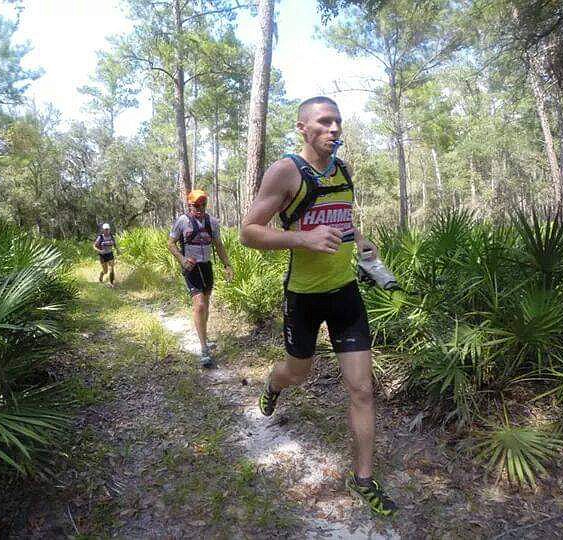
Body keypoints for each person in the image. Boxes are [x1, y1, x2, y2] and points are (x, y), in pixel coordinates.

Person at [239, 96, 397, 517]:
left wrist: (360, 242)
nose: (334, 129)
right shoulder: (286, 171)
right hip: (303, 297)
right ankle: (273, 387)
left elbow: (341, 219)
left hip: (345, 293)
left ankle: (363, 479)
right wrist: (302, 239)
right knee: (298, 372)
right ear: (303, 128)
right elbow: (249, 232)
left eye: (338, 122)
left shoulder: (343, 171)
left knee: (362, 389)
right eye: (324, 122)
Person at [167, 190, 233, 368]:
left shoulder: (212, 222)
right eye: (196, 205)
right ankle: (204, 349)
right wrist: (182, 259)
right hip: (191, 267)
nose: (200, 208)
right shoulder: (182, 221)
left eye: (202, 205)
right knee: (200, 305)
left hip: (207, 267)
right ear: (189, 205)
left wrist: (227, 265)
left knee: (207, 304)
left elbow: (218, 245)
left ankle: (204, 336)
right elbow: (170, 243)